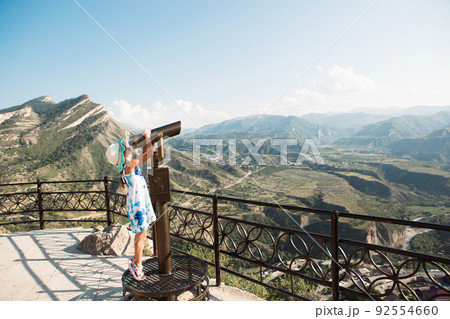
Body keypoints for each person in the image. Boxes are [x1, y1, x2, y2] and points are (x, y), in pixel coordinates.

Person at [105, 128, 156, 281]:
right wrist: (147, 137)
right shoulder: (130, 165)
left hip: (137, 204)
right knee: (141, 236)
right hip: (137, 206)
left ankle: (136, 260)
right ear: (122, 157)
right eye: (125, 150)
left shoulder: (128, 166)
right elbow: (150, 154)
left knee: (142, 234)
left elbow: (146, 152)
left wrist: (146, 139)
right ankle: (137, 266)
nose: (128, 149)